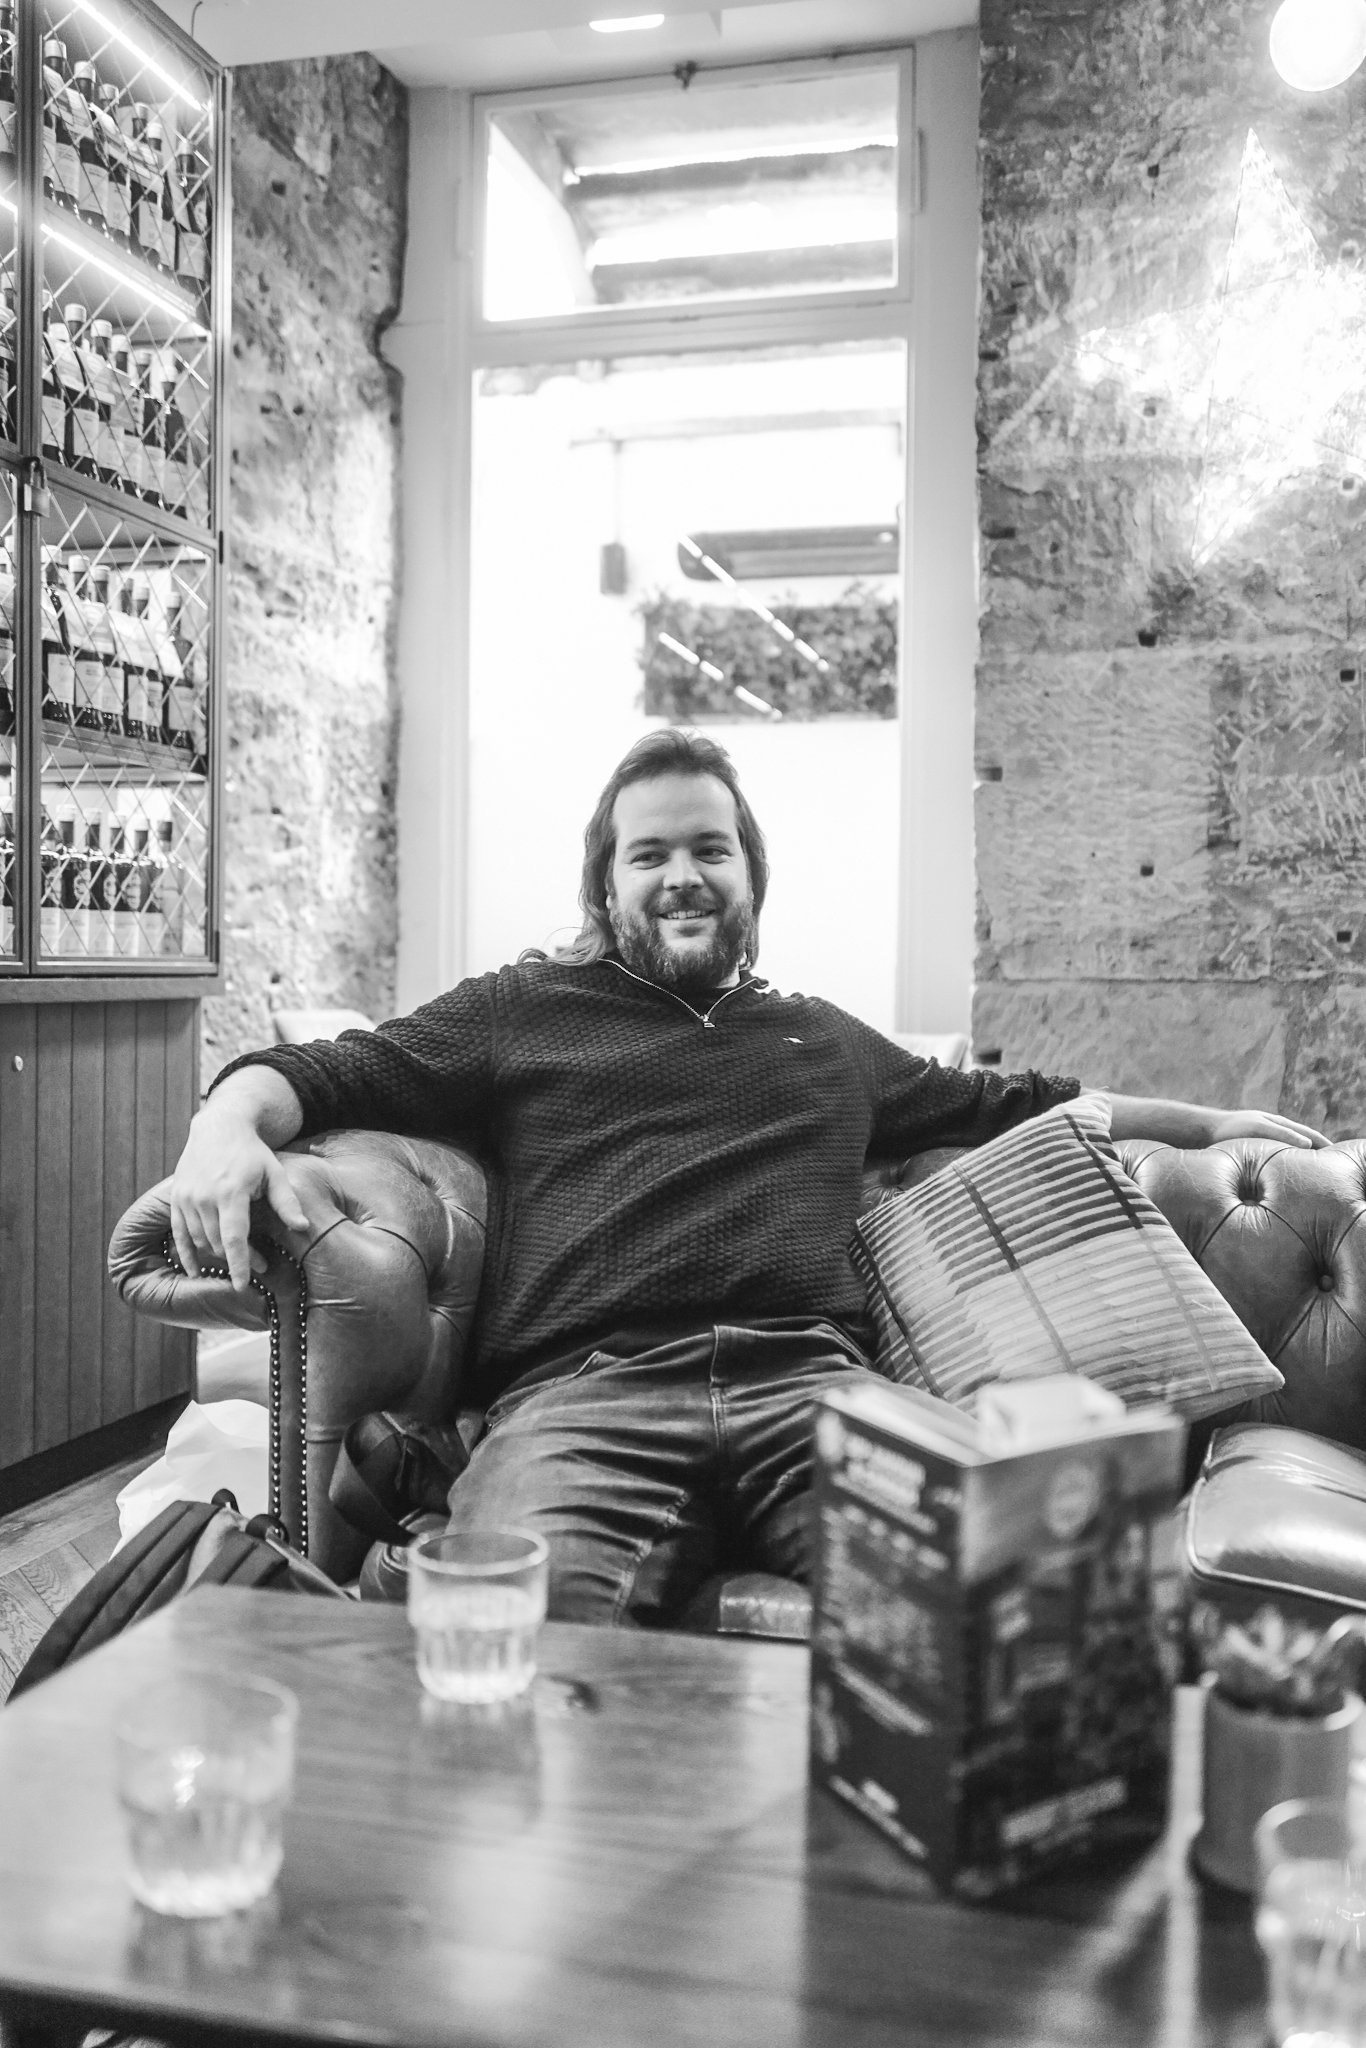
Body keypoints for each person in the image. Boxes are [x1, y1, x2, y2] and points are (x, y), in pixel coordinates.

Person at [170, 730, 1326, 1624]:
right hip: (590, 1393)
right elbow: (334, 1068)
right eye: (649, 854)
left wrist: (1212, 1119)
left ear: (749, 878)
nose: (682, 875)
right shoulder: (525, 1009)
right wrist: (223, 1123)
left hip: (815, 1387)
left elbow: (1019, 1101)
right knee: (509, 1640)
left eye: (708, 849)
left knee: (1023, 1608)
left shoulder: (824, 1038)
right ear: (606, 888)